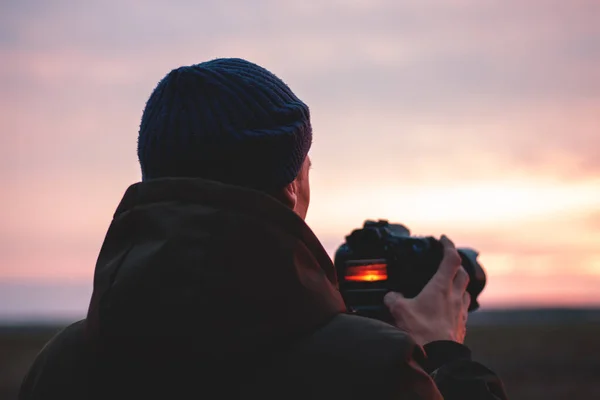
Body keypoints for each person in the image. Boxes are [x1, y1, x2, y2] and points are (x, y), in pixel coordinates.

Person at [19, 58, 508, 400]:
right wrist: (444, 356)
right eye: (306, 167)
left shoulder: (59, 367)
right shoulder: (375, 370)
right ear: (291, 187)